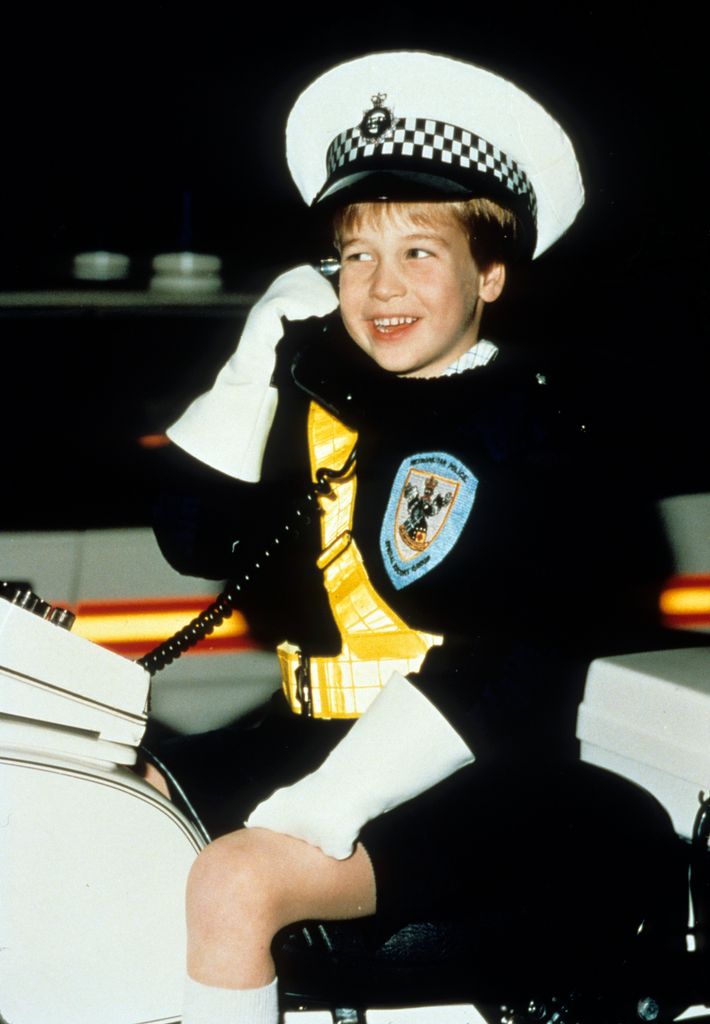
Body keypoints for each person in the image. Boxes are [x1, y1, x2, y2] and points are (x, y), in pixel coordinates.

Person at [149, 52, 683, 1024]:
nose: (378, 285)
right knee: (94, 790)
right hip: (310, 732)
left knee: (235, 881)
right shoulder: (340, 404)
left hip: (475, 769)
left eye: (418, 253)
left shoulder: (526, 433)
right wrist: (251, 363)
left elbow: (504, 665)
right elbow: (192, 537)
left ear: (490, 274)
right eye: (355, 254)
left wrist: (332, 801)